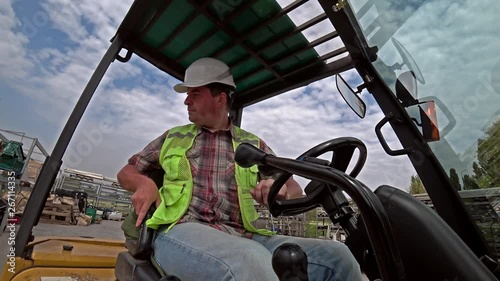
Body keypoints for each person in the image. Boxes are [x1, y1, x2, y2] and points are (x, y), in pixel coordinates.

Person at [117, 57, 363, 281]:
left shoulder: (252, 145)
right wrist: (144, 183)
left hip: (245, 234)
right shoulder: (173, 136)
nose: (186, 100)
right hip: (182, 230)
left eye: (194, 92)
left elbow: (293, 188)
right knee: (250, 262)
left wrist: (278, 190)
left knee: (338, 257)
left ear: (220, 97)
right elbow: (127, 171)